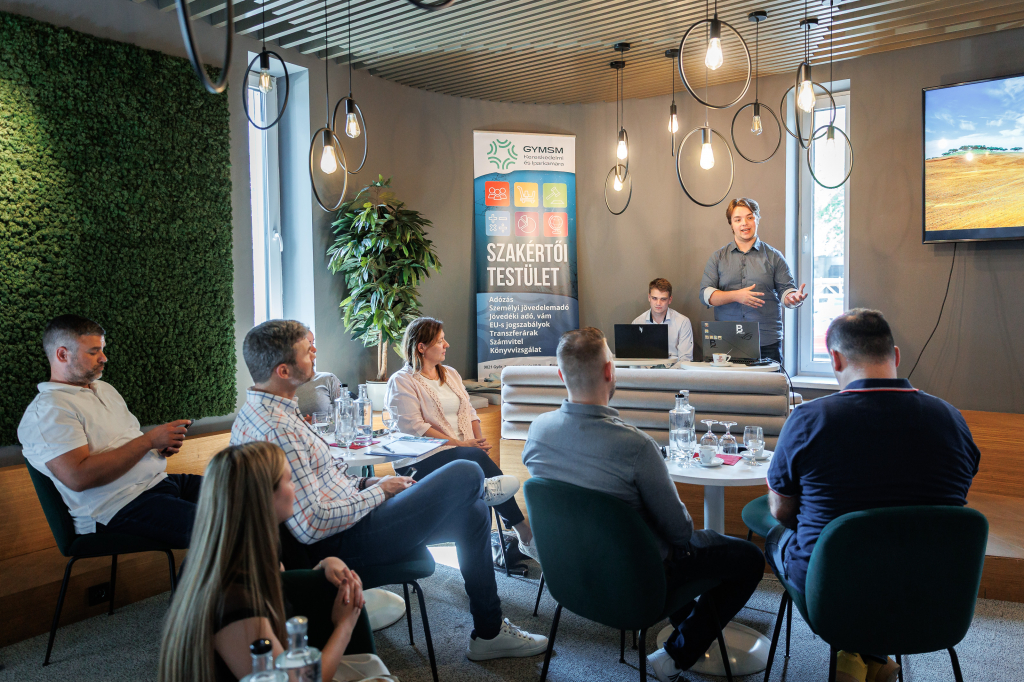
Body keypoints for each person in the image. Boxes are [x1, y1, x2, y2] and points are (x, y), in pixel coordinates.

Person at [230, 319, 548, 661]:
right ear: (282, 370)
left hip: (354, 514)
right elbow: (312, 525)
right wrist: (379, 494)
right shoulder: (278, 429)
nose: (315, 352)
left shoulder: (274, 413)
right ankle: (476, 490)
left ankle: (489, 632)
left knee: (472, 512)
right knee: (467, 470)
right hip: (340, 541)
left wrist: (370, 482)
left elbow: (327, 482)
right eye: (307, 350)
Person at [521, 327, 765, 682]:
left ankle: (686, 631)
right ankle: (678, 654)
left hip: (571, 575)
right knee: (748, 558)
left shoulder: (538, 430)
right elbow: (680, 532)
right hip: (637, 582)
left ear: (561, 375)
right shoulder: (635, 447)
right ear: (610, 371)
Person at [764, 309, 980, 682]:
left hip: (836, 598)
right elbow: (956, 496)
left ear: (835, 359)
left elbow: (782, 510)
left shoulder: (810, 420)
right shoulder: (952, 419)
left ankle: (855, 654)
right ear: (895, 355)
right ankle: (871, 657)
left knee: (777, 537)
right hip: (935, 596)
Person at [158, 441, 389, 682]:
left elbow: (282, 591)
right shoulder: (233, 596)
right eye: (289, 480)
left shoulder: (244, 552)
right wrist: (344, 626)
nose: (295, 487)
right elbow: (296, 681)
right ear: (264, 497)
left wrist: (323, 566)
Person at [18, 315, 199, 547]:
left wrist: (158, 447)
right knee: (226, 529)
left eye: (102, 350)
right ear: (62, 355)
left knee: (240, 492)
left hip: (158, 482)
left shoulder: (104, 389)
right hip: (116, 506)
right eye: (93, 352)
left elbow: (125, 445)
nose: (104, 358)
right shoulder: (48, 411)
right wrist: (148, 441)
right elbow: (78, 478)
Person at [386, 316, 539, 562]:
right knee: (474, 463)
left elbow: (470, 411)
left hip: (465, 453)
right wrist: (463, 445)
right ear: (421, 347)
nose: (446, 345)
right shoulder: (402, 380)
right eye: (440, 341)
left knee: (475, 463)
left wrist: (478, 441)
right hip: (421, 459)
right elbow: (414, 427)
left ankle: (494, 506)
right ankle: (523, 532)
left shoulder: (451, 374)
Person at [699, 198, 808, 363]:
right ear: (731, 224)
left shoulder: (774, 256)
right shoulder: (718, 257)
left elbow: (786, 290)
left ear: (757, 219)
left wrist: (792, 298)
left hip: (766, 341)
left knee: (770, 381)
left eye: (749, 217)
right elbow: (705, 295)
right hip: (726, 340)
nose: (745, 223)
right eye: (738, 219)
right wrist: (736, 296)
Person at [630, 277, 694, 363]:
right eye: (654, 298)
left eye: (663, 299)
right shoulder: (637, 322)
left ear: (670, 300)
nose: (658, 303)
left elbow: (685, 359)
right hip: (645, 369)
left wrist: (670, 371)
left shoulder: (683, 322)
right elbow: (634, 358)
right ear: (649, 298)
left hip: (673, 369)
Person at [293, 330, 346, 419]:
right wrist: (302, 424)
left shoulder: (328, 379)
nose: (314, 350)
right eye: (308, 344)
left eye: (313, 343)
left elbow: (346, 416)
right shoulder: (279, 389)